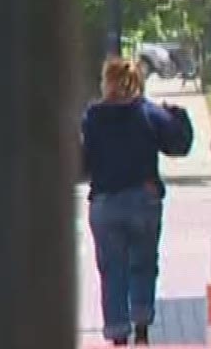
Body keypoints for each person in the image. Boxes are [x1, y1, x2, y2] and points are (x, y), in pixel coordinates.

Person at [80, 57, 187, 346]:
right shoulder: (147, 112)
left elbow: (81, 162)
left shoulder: (92, 117)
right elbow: (179, 145)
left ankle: (118, 337)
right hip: (144, 199)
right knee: (143, 264)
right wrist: (179, 114)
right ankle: (142, 332)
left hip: (105, 203)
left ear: (106, 82)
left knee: (111, 270)